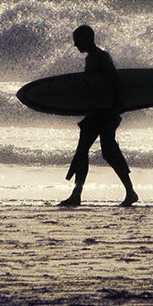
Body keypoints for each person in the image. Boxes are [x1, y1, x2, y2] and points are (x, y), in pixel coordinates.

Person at [60, 25, 138, 207]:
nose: (75, 45)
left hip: (105, 112)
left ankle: (129, 191)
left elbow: (115, 79)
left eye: (77, 40)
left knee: (104, 151)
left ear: (87, 38)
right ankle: (78, 193)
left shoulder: (101, 56)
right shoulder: (92, 57)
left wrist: (115, 107)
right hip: (98, 111)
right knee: (90, 150)